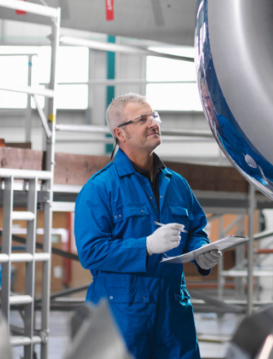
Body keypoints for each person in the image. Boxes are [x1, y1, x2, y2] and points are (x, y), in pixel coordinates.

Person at [75, 94, 221, 359]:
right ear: (120, 133)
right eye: (142, 119)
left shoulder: (177, 184)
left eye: (154, 116)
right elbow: (90, 252)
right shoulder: (99, 188)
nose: (153, 122)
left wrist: (202, 252)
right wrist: (146, 246)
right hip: (121, 318)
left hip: (173, 316)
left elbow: (197, 230)